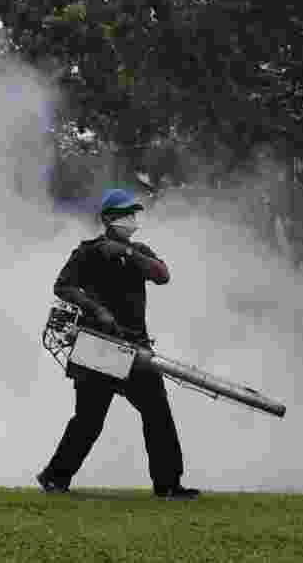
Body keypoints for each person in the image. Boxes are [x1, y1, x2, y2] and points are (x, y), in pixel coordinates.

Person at [36, 188, 200, 500]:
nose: (132, 219)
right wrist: (97, 309)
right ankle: (55, 478)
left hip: (136, 349)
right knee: (89, 420)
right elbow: (63, 286)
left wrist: (128, 254)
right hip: (98, 347)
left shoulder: (139, 252)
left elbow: (163, 275)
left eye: (133, 214)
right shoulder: (88, 252)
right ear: (110, 219)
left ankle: (168, 485)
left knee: (158, 414)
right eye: (126, 214)